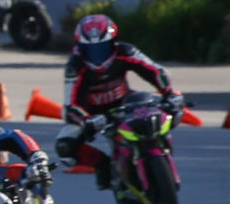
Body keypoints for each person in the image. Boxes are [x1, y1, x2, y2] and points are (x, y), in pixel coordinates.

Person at [56, 14, 182, 191]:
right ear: (81, 48)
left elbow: (156, 71)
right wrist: (86, 120)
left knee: (170, 113)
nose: (97, 56)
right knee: (65, 146)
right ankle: (102, 165)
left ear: (113, 43)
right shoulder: (75, 65)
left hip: (125, 103)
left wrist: (169, 93)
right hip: (93, 115)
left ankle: (162, 151)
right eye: (90, 50)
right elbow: (70, 106)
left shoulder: (125, 51)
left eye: (102, 49)